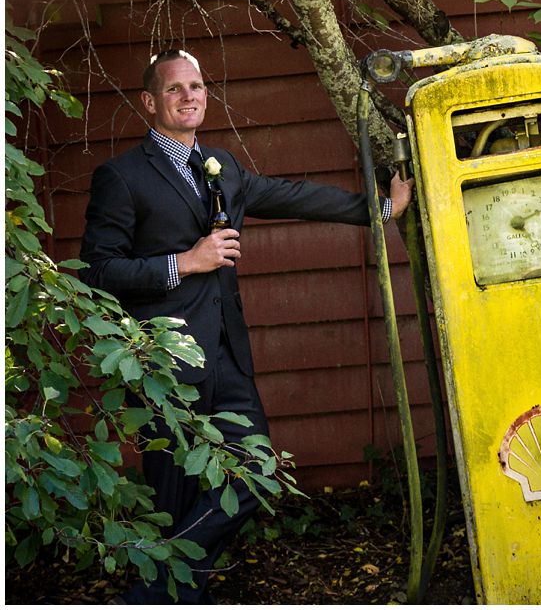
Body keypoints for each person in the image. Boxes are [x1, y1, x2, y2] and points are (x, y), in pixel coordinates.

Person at [79, 49, 413, 603]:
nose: (189, 96)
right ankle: (178, 594)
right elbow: (98, 270)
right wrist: (185, 261)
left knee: (256, 471)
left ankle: (153, 589)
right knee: (174, 495)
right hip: (165, 362)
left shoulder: (223, 167)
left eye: (197, 86)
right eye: (174, 89)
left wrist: (379, 206)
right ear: (149, 102)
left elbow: (292, 195)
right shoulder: (123, 177)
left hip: (228, 356)